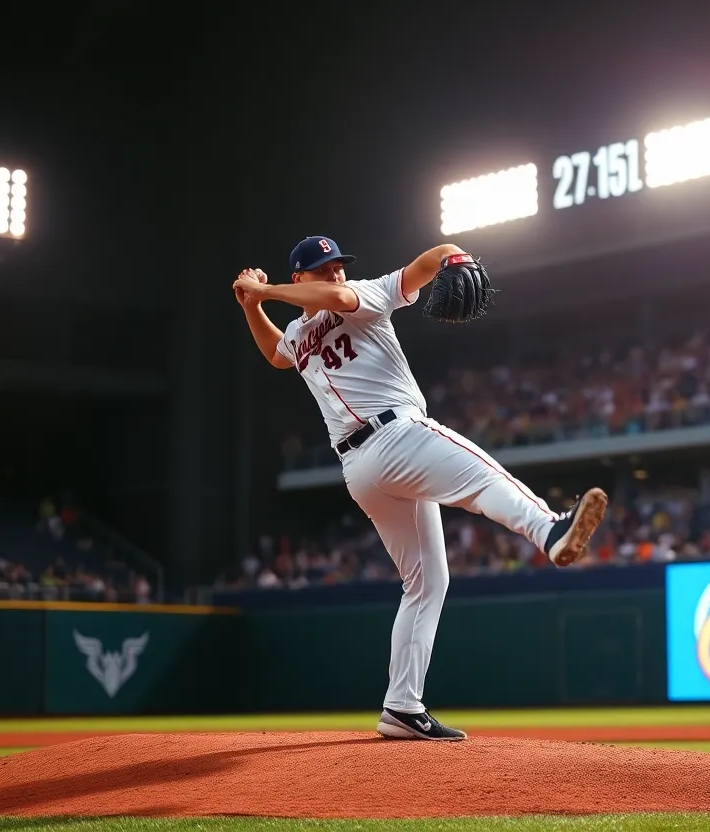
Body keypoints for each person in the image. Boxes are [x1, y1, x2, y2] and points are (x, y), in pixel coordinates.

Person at [232, 236, 608, 741]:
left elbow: (425, 260)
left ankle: (402, 707)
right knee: (481, 476)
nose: (337, 275)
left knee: (428, 582)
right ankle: (548, 530)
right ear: (300, 278)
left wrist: (455, 258)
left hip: (363, 467)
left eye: (339, 265)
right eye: (324, 269)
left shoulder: (361, 293)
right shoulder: (300, 330)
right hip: (390, 439)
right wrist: (255, 305)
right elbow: (279, 355)